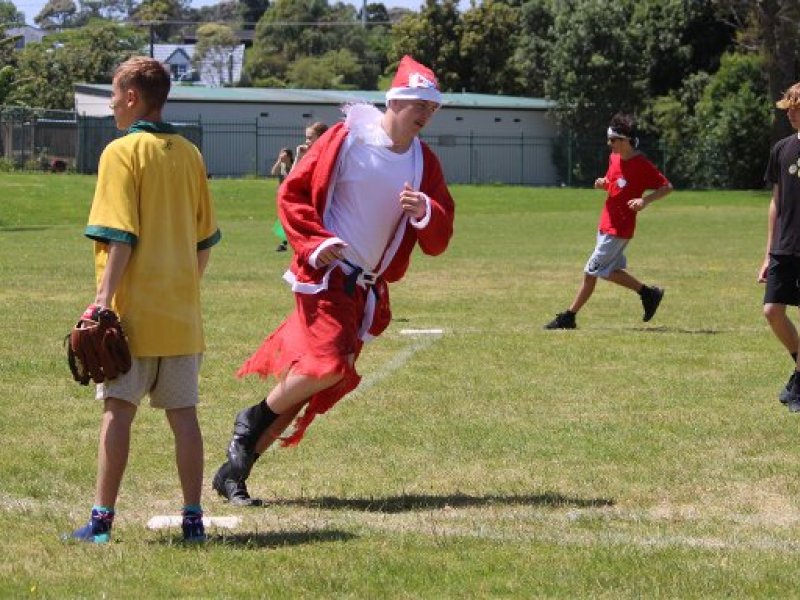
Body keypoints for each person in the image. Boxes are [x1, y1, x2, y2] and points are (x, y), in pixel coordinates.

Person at [212, 55, 455, 506]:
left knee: (313, 380)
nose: (424, 114)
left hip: (363, 291)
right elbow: (294, 193)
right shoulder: (348, 138)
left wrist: (425, 211)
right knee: (326, 368)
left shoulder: (425, 163)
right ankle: (250, 421)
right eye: (418, 103)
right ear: (395, 100)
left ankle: (235, 469)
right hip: (326, 277)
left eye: (432, 107)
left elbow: (441, 233)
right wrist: (316, 242)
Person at [65, 56, 221, 543]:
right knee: (184, 418)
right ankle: (193, 521)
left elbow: (120, 237)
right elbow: (204, 244)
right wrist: (184, 293)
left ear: (132, 96)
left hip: (133, 316)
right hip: (181, 315)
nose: (112, 102)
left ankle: (100, 523)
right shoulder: (190, 153)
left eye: (114, 93)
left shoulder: (121, 152)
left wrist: (101, 301)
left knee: (117, 410)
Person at [544, 113, 673, 330]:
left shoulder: (641, 164)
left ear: (625, 140)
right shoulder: (614, 158)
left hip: (619, 228)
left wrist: (644, 201)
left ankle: (569, 317)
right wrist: (604, 183)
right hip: (606, 223)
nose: (609, 143)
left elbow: (667, 187)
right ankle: (648, 294)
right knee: (609, 271)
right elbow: (615, 182)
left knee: (591, 271)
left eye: (613, 140)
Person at [759, 82, 800, 411]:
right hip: (785, 247)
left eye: (797, 108)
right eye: (789, 108)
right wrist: (768, 253)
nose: (791, 114)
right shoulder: (782, 149)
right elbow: (776, 203)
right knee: (772, 311)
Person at [271, 147, 295, 252]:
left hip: (292, 197)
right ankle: (284, 243)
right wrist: (278, 162)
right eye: (280, 154)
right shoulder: (281, 166)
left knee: (291, 220)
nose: (281, 156)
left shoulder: (294, 165)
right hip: (282, 196)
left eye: (283, 154)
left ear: (289, 156)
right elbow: (273, 173)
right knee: (283, 220)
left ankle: (287, 243)